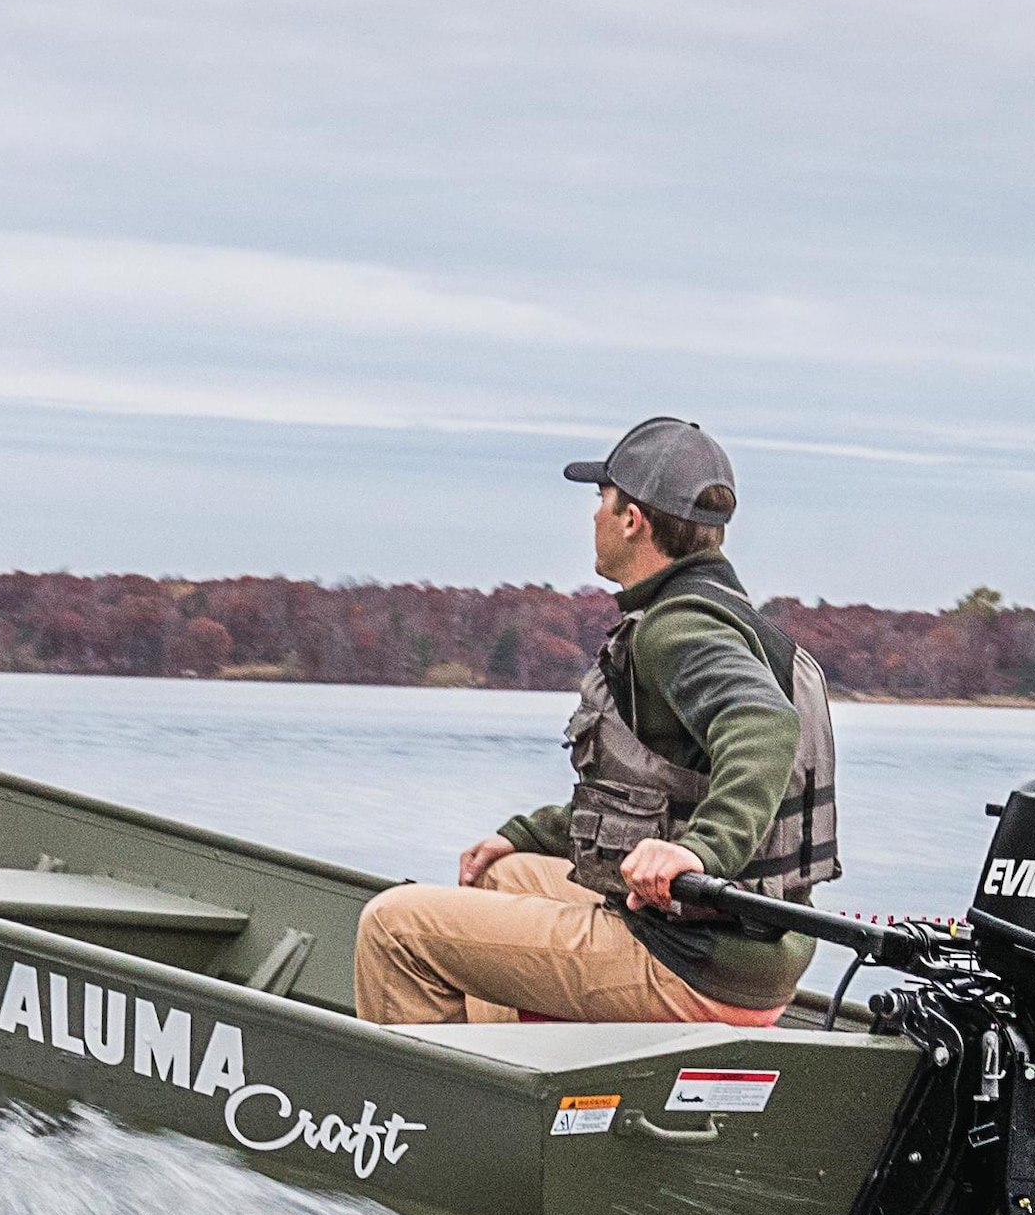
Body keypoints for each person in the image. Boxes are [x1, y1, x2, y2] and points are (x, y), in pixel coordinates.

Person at [353, 416, 840, 1027]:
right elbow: (658, 796)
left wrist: (700, 853)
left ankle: (443, 1115)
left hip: (690, 961)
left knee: (394, 925)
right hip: (743, 951)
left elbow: (763, 726)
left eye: (601, 500)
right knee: (503, 874)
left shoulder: (677, 628)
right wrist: (528, 832)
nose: (594, 517)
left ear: (632, 518)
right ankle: (515, 1081)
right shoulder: (734, 620)